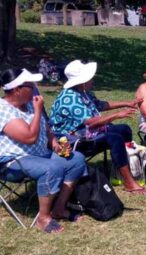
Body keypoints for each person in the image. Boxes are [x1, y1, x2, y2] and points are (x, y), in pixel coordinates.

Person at [0, 68, 87, 233]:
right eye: (30, 85)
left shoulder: (29, 104)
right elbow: (29, 137)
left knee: (76, 159)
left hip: (40, 155)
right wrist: (38, 110)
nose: (34, 87)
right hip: (13, 163)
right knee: (51, 168)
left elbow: (45, 127)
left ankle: (59, 208)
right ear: (17, 89)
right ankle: (43, 218)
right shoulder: (2, 109)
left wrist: (55, 143)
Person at [49, 60, 146, 194]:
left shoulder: (83, 91)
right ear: (82, 81)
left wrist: (127, 103)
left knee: (124, 129)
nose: (93, 80)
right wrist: (116, 115)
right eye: (90, 78)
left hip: (87, 132)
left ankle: (120, 170)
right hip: (71, 140)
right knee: (114, 138)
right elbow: (92, 122)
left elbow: (100, 105)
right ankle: (129, 182)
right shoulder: (70, 98)